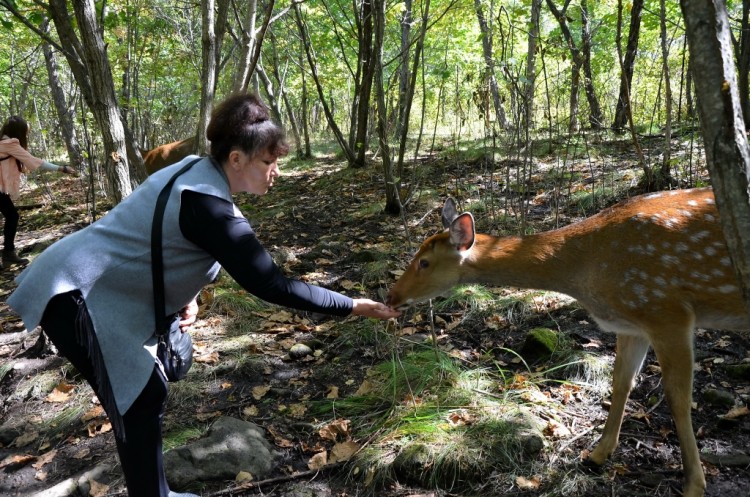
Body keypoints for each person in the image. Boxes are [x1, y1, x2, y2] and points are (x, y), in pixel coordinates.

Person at [7, 93, 400, 497]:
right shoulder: (210, 206)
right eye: (268, 162)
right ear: (236, 159)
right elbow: (271, 284)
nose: (276, 172)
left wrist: (187, 293)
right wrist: (352, 305)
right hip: (77, 291)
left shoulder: (193, 169)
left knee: (144, 396)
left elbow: (165, 236)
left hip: (82, 281)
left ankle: (155, 491)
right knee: (139, 398)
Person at [0, 115, 76, 267]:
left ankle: (8, 253)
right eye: (25, 132)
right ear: (18, 131)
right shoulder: (9, 144)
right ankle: (8, 253)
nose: (26, 135)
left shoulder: (2, 140)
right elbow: (35, 162)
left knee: (11, 216)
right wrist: (62, 168)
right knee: (12, 216)